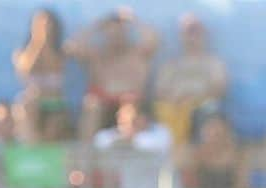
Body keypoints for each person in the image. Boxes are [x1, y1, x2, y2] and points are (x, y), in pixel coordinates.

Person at [65, 8, 159, 140]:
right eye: (112, 31)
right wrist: (97, 25)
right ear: (105, 34)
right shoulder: (96, 56)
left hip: (130, 102)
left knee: (129, 111)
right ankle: (86, 152)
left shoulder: (137, 55)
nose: (116, 35)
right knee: (91, 106)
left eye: (120, 31)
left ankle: (129, 153)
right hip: (101, 102)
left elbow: (154, 40)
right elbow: (71, 46)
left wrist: (133, 19)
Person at [154, 14, 228, 146]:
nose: (192, 37)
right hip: (175, 108)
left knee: (208, 111)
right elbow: (160, 91)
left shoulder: (213, 63)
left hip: (202, 108)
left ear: (203, 34)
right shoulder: (171, 65)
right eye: (188, 32)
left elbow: (220, 89)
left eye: (196, 31)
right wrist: (178, 99)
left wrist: (194, 98)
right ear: (181, 36)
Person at [12, 8, 71, 143]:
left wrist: (46, 42)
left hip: (55, 102)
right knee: (25, 107)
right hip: (32, 103)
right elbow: (26, 70)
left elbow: (56, 66)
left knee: (55, 123)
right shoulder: (21, 52)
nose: (45, 27)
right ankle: (33, 150)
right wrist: (38, 41)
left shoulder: (63, 51)